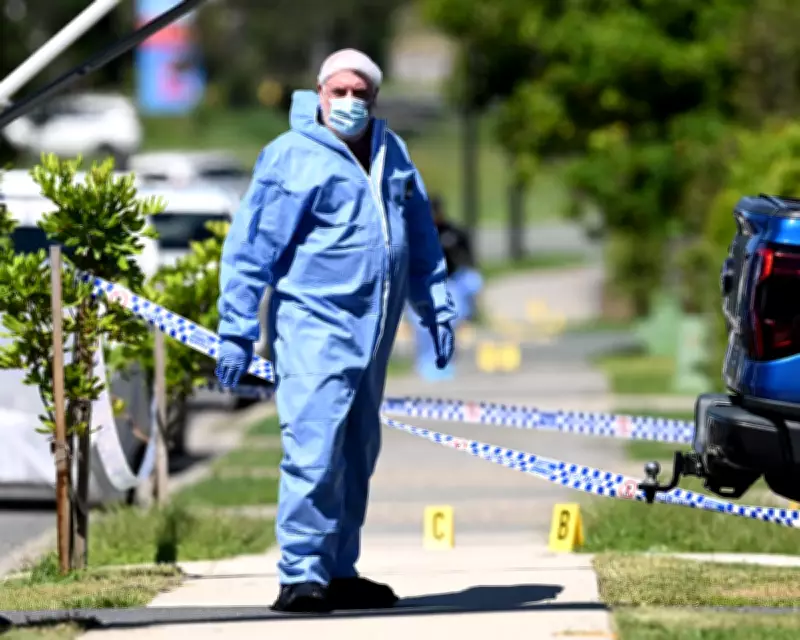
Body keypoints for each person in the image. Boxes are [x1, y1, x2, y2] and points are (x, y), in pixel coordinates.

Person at [213, 48, 456, 614]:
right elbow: (251, 252)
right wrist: (236, 330)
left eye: (360, 94)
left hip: (372, 335)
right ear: (319, 94)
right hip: (313, 330)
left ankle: (339, 571)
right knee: (313, 451)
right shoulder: (291, 157)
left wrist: (437, 309)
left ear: (375, 99)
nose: (349, 103)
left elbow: (419, 239)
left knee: (355, 454)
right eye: (338, 92)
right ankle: (301, 574)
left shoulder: (392, 154)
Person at [410, 196, 483, 380]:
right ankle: (426, 361)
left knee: (448, 321)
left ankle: (446, 359)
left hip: (450, 282)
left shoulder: (453, 233)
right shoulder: (416, 234)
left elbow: (468, 261)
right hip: (424, 284)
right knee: (424, 326)